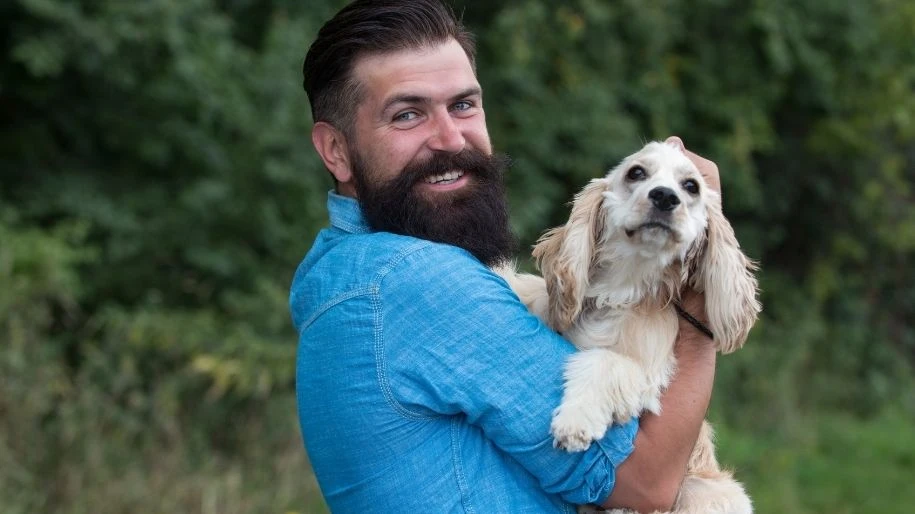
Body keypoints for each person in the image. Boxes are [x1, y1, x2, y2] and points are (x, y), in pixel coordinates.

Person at [290, 0, 721, 511]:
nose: (451, 139)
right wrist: (698, 306)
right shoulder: (416, 282)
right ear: (335, 151)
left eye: (464, 105)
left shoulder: (339, 274)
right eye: (407, 114)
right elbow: (647, 483)